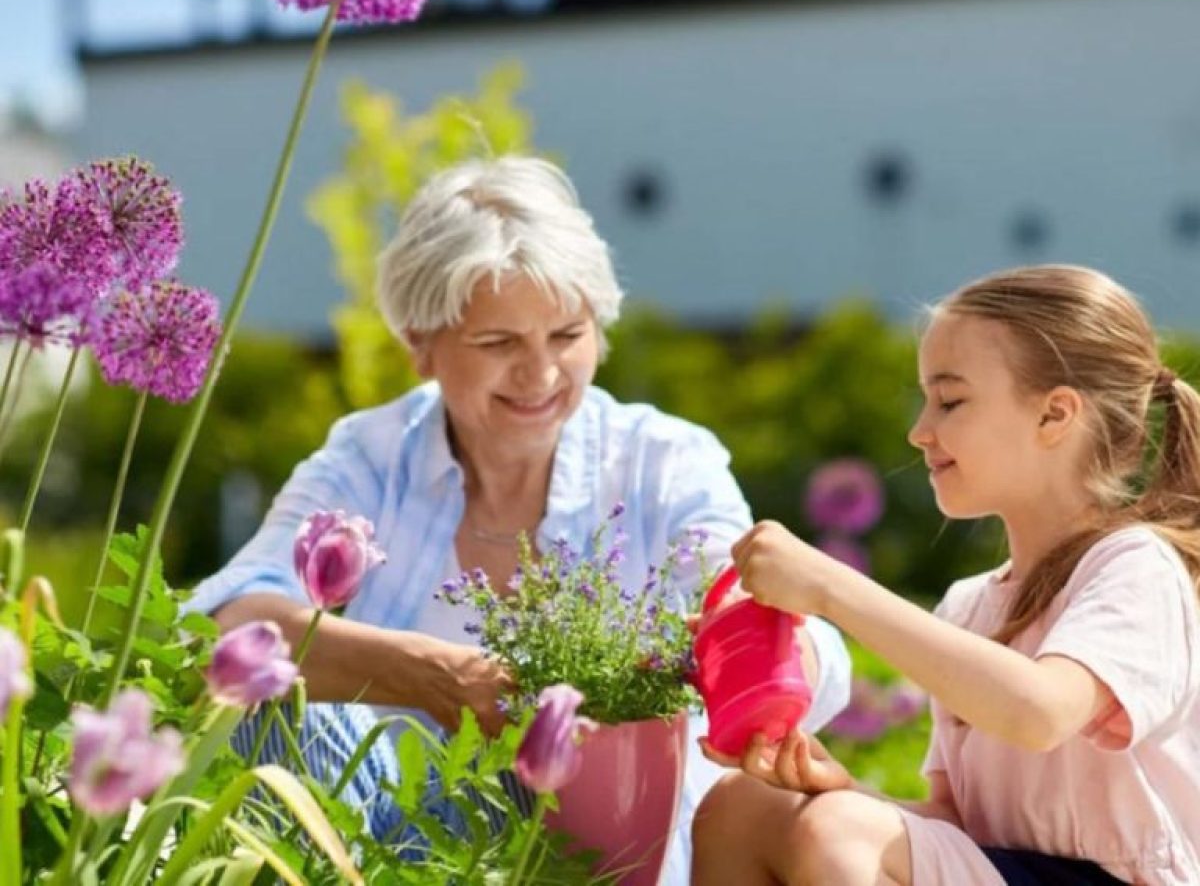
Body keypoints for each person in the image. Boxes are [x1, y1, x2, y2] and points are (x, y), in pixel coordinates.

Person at [187, 155, 851, 883]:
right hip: (390, 851)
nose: (539, 375)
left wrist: (770, 673)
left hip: (607, 846)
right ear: (419, 343)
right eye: (498, 343)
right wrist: (435, 677)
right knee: (269, 700)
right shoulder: (371, 457)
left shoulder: (661, 461)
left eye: (567, 336)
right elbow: (223, 626)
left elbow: (752, 603)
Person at [691, 265, 1200, 886]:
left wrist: (830, 586)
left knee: (834, 830)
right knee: (739, 808)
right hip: (1009, 872)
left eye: (950, 400)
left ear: (1055, 416)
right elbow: (959, 826)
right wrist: (844, 790)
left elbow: (1038, 712)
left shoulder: (1134, 567)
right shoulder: (967, 605)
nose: (919, 430)